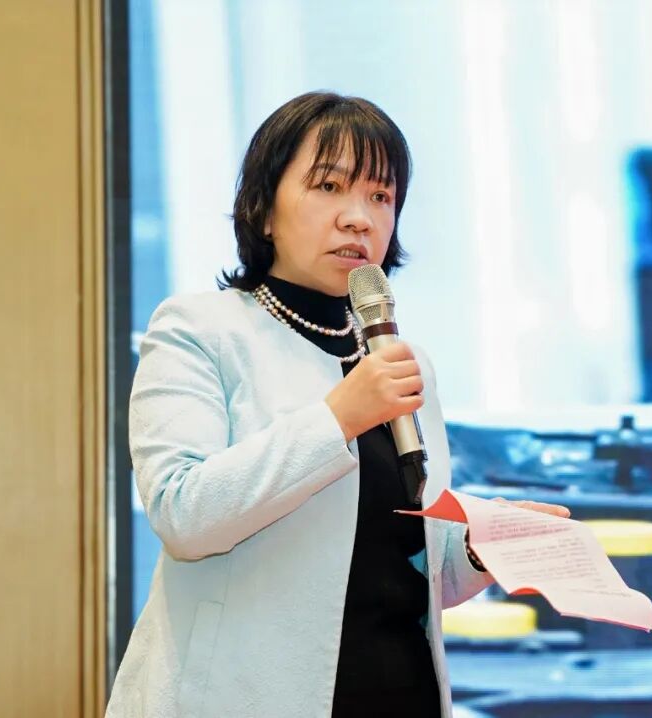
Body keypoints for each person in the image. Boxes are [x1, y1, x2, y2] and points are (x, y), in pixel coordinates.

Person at [105, 91, 569, 718]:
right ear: (262, 209)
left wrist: (482, 548)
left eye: (380, 196)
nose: (359, 218)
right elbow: (182, 515)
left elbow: (411, 571)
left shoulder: (402, 360)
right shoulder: (198, 329)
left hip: (400, 692)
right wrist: (339, 417)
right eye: (329, 186)